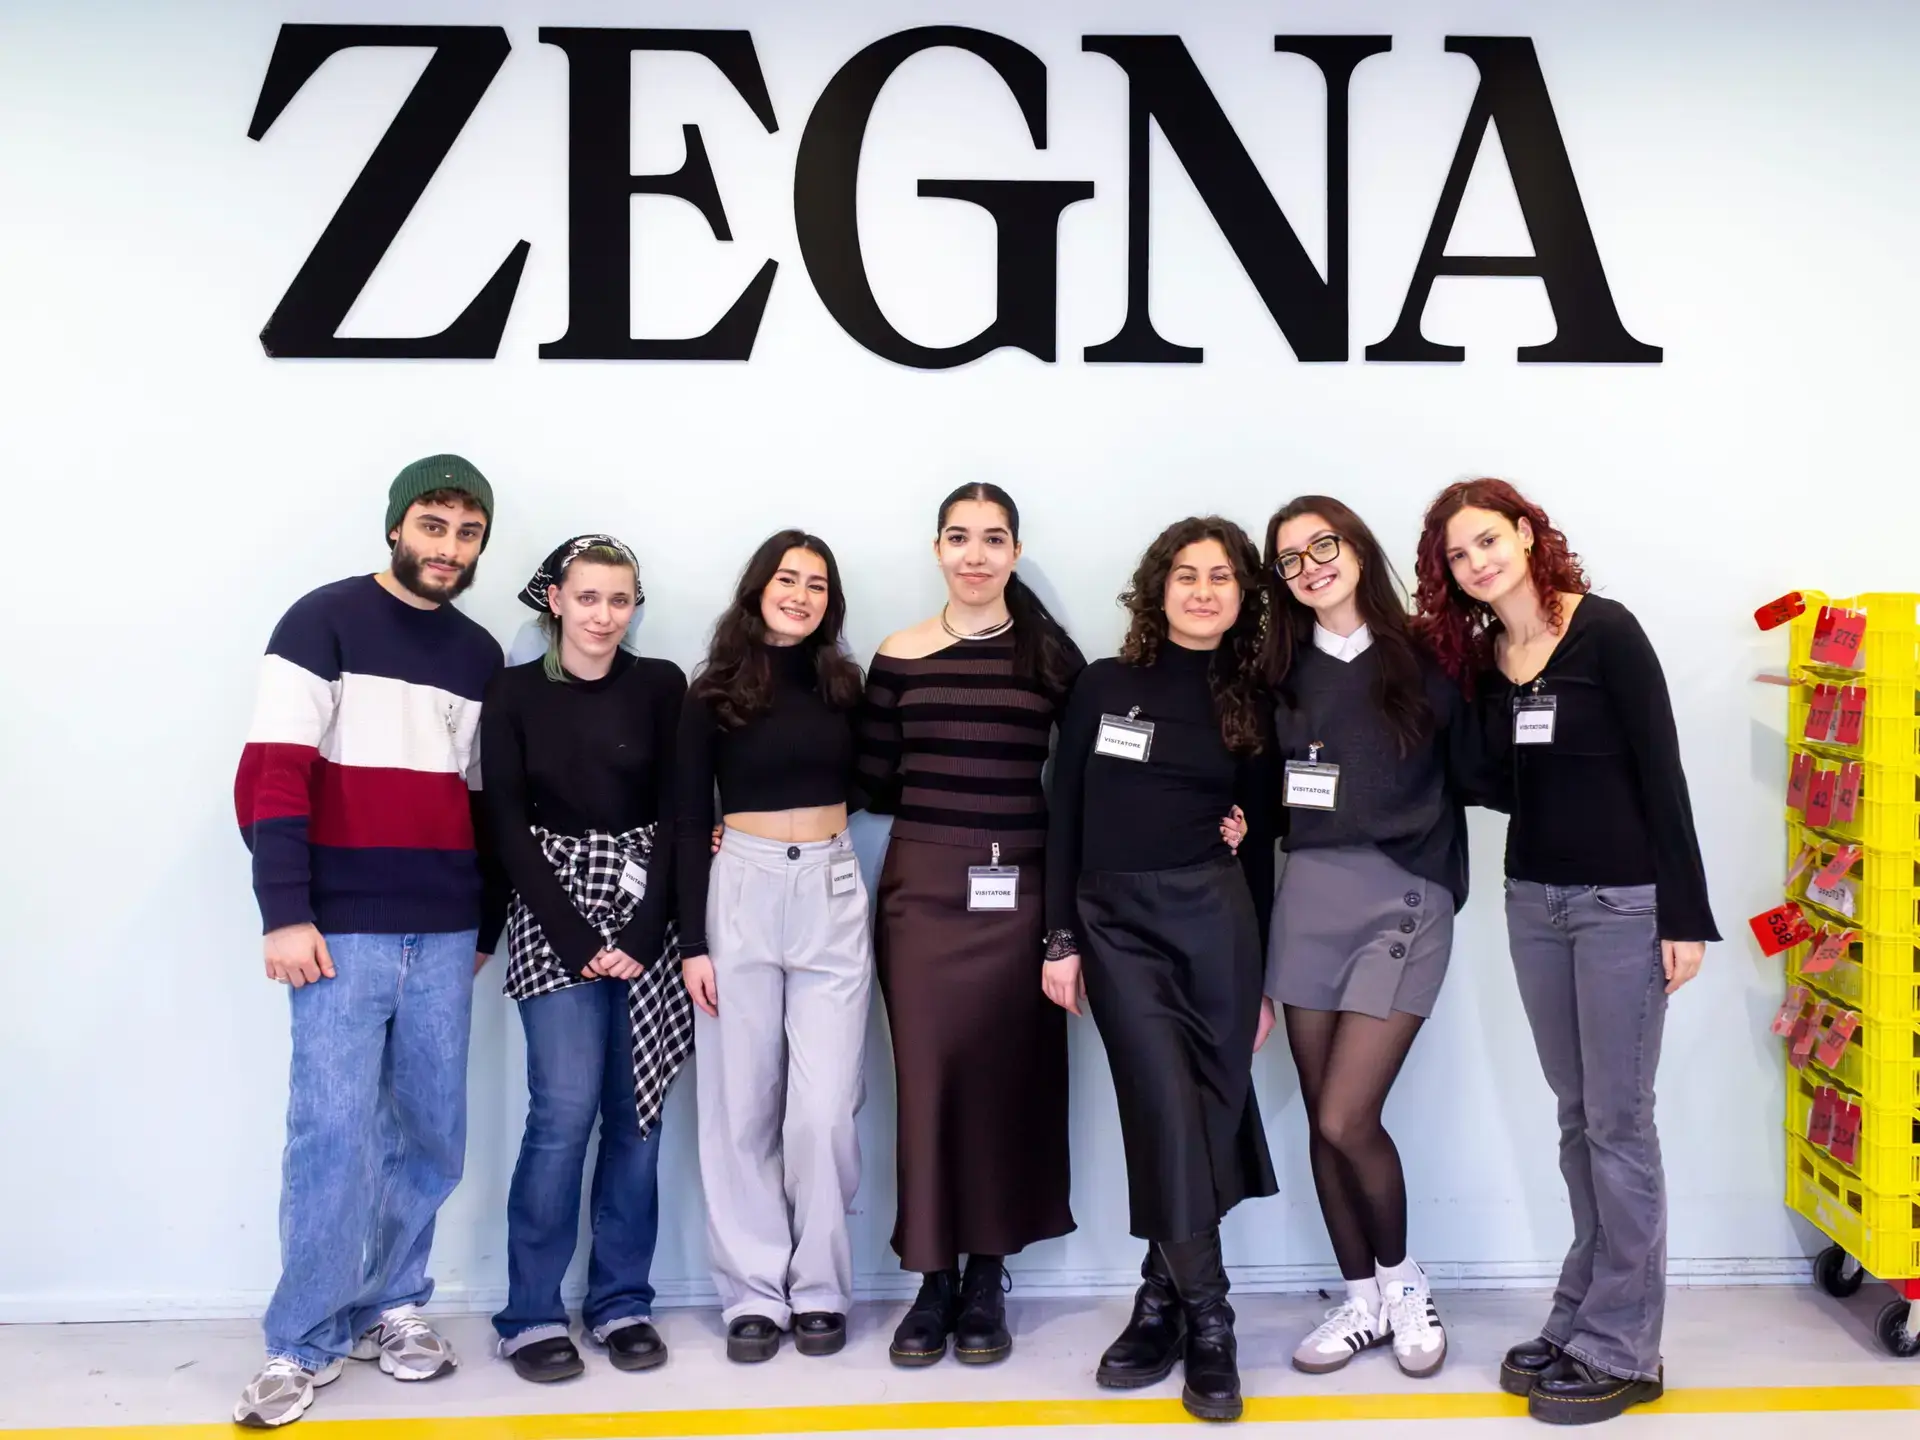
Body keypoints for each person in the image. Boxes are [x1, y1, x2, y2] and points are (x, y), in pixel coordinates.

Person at [1413, 478, 1717, 1426]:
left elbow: (1662, 771)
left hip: (1622, 903)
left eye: (1487, 540)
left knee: (1619, 1122)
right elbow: (1486, 784)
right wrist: (1452, 677)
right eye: (1458, 555)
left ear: (1526, 533)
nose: (1477, 562)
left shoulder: (1606, 632)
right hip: (1533, 902)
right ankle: (1583, 1314)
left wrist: (1685, 916)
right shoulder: (1489, 659)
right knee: (1579, 1116)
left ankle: (1626, 1349)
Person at [231, 456, 505, 1428]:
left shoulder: (477, 653)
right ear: (397, 526)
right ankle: (300, 1341)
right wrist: (284, 912)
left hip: (446, 929)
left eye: (467, 533)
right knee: (332, 1134)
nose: (448, 548)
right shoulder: (323, 621)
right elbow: (271, 774)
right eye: (433, 525)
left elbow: (482, 800)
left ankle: (393, 1306)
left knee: (430, 1131)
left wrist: (487, 919)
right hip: (338, 928)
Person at [1259, 496, 1500, 1383]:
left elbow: (1483, 769)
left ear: (1358, 549)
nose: (1311, 566)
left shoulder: (1432, 657)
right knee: (1322, 1122)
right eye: (1290, 558)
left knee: (1345, 1115)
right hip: (1307, 901)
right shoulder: (1278, 673)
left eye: (1323, 545)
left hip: (1403, 897)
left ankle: (1405, 1284)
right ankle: (1360, 1300)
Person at [1044, 516, 1279, 1423]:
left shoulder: (1251, 699)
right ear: (1159, 587)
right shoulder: (1104, 683)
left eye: (1221, 576)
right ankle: (1213, 1322)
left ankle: (1158, 1300)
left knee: (1199, 1118)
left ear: (1242, 595)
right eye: (1187, 574)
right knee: (1162, 1106)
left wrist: (1262, 978)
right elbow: (1064, 810)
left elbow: (1261, 843)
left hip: (1217, 924)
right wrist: (1059, 939)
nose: (1203, 591)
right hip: (1114, 924)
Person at [854, 483, 1083, 1368]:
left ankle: (987, 1276)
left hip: (1021, 892)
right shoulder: (897, 654)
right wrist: (747, 815)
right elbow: (869, 779)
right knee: (928, 1084)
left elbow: (1089, 780)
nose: (975, 554)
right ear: (937, 549)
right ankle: (932, 1278)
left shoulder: (1051, 658)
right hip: (921, 895)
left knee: (1006, 1082)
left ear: (1015, 553)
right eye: (959, 537)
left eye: (993, 539)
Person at [481, 535, 691, 1384]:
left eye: (620, 599)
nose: (604, 615)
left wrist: (641, 934)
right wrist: (575, 938)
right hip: (551, 911)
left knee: (637, 1118)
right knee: (563, 1113)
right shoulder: (513, 692)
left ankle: (621, 1302)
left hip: (646, 915)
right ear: (556, 601)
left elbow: (681, 812)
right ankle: (531, 1314)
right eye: (589, 597)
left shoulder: (662, 685)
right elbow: (504, 822)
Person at [675, 531, 872, 1365]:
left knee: (823, 1109)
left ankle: (821, 1288)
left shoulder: (846, 688)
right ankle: (754, 1293)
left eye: (817, 584)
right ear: (757, 588)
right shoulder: (712, 693)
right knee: (740, 1106)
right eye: (787, 579)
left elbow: (876, 782)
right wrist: (693, 942)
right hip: (740, 891)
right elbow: (689, 816)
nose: (800, 594)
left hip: (831, 884)